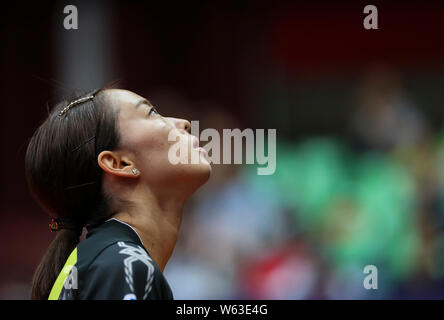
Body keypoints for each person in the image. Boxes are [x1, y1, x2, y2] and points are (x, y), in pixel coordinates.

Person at [25, 88, 211, 300]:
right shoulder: (125, 266)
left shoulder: (101, 262)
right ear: (120, 163)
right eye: (151, 113)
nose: (183, 122)